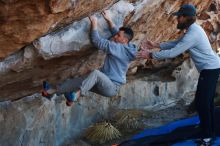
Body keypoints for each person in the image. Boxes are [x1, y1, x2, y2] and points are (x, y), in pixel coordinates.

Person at [137, 4, 220, 146]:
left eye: (179, 17)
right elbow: (177, 43)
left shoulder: (193, 33)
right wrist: (157, 44)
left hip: (210, 69)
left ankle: (207, 137)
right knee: (206, 103)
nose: (177, 20)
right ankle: (210, 131)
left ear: (186, 17)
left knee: (202, 103)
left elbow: (173, 52)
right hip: (212, 68)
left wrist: (150, 55)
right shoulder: (192, 30)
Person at [42, 10, 137, 106]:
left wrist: (94, 23)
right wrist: (108, 19)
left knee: (95, 73)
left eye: (118, 35)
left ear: (125, 40)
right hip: (105, 83)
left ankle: (76, 95)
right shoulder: (129, 47)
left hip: (112, 87)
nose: (115, 36)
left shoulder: (116, 47)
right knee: (80, 80)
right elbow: (117, 33)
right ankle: (50, 92)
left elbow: (96, 41)